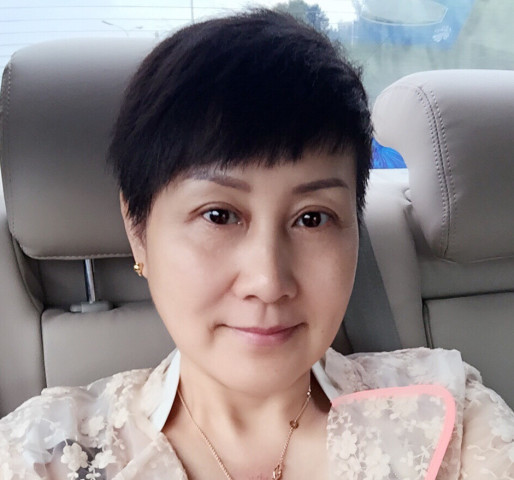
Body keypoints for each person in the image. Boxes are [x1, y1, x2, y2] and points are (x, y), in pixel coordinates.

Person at [1, 9, 513, 480]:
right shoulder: (41, 454)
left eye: (312, 218)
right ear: (138, 230)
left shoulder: (453, 417)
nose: (268, 282)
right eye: (219, 215)